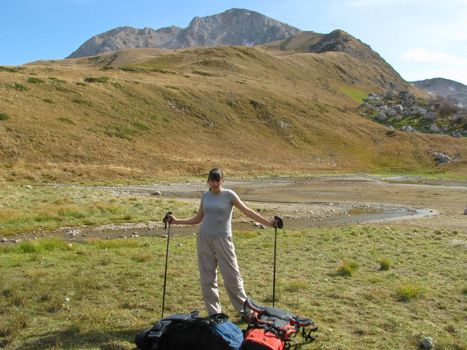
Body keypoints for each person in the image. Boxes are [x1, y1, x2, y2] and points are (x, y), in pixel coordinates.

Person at [167, 168, 279, 318]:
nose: (214, 183)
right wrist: (176, 221)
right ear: (208, 181)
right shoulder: (205, 197)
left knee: (232, 277)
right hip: (204, 238)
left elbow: (247, 211)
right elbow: (198, 219)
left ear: (222, 181)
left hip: (223, 240)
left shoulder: (229, 195)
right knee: (207, 279)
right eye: (211, 180)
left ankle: (247, 313)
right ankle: (214, 314)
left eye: (217, 180)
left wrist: (269, 223)